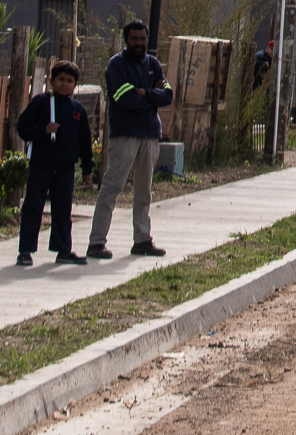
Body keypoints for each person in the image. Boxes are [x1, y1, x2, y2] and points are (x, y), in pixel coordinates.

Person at [89, 18, 175, 259]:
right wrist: (152, 97)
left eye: (143, 39)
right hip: (125, 134)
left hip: (149, 135)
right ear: (127, 40)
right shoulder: (116, 65)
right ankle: (96, 242)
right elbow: (123, 98)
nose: (139, 43)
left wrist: (145, 92)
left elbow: (168, 96)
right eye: (135, 39)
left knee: (143, 191)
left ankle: (142, 240)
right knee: (112, 187)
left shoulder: (153, 63)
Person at [14, 60, 92, 267]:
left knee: (63, 210)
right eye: (60, 80)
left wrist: (87, 169)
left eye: (69, 81)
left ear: (75, 84)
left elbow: (85, 141)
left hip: (66, 167)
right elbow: (22, 128)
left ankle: (63, 250)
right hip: (41, 164)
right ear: (52, 81)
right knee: (33, 207)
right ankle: (25, 251)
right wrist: (43, 130)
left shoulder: (77, 109)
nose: (64, 84)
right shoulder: (41, 103)